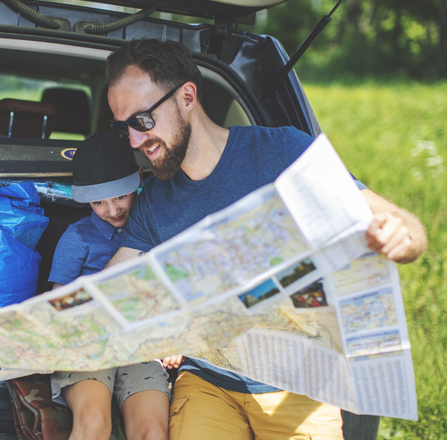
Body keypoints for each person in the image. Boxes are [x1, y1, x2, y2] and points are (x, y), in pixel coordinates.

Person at [104, 38, 427, 440]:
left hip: (303, 382)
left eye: (143, 121)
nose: (135, 141)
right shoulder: (154, 201)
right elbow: (111, 284)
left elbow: (401, 225)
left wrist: (401, 237)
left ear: (187, 96)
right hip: (207, 384)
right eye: (124, 129)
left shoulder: (282, 153)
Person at [0, 133, 170, 440]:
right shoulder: (77, 238)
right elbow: (56, 306)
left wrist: (172, 342)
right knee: (93, 422)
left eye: (120, 197)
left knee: (153, 431)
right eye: (99, 202)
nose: (112, 210)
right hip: (87, 344)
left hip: (142, 345)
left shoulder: (158, 225)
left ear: (138, 178)